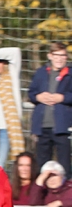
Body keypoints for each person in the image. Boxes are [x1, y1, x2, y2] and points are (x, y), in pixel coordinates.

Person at [28, 42, 72, 174]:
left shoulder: (70, 73)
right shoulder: (41, 72)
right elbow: (31, 93)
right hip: (42, 126)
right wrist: (38, 97)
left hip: (62, 126)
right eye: (56, 55)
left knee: (64, 164)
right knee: (42, 164)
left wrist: (62, 98)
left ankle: (66, 186)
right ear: (50, 56)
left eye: (63, 55)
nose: (59, 59)